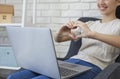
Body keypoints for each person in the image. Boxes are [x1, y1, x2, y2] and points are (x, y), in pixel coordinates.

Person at [7, 0, 120, 79]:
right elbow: (59, 39)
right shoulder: (89, 23)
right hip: (71, 63)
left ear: (118, 1)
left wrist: (92, 34)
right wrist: (60, 32)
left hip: (94, 67)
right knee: (14, 77)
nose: (101, 2)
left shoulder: (117, 24)